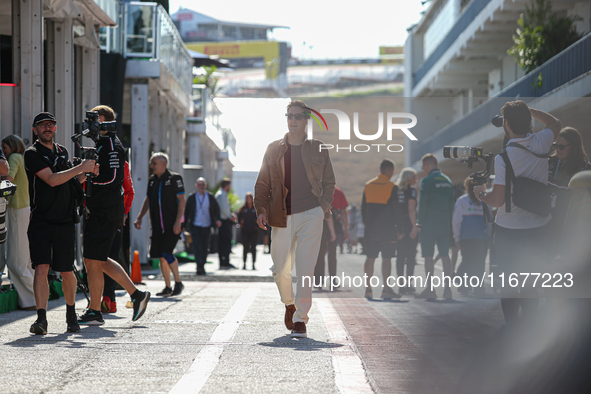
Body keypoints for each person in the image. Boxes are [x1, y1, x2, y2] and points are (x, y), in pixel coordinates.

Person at [474, 100, 561, 323]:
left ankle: (513, 326)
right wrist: (528, 110)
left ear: (507, 124)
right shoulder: (542, 141)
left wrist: (481, 194)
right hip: (540, 226)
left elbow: (498, 199)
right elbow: (554, 122)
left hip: (510, 230)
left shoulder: (504, 157)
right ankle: (530, 325)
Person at [254, 100, 335, 338]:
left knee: (306, 268)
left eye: (298, 116)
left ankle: (301, 319)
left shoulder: (318, 148)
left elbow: (330, 182)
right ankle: (289, 303)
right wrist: (261, 209)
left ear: (306, 120)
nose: (293, 120)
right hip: (281, 216)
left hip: (311, 214)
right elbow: (262, 184)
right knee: (280, 269)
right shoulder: (273, 149)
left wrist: (322, 207)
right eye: (289, 116)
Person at [24, 112, 96, 334]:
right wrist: (80, 168)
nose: (47, 128)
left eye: (51, 125)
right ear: (35, 130)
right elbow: (53, 180)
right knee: (42, 268)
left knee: (67, 271)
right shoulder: (32, 154)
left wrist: (88, 172)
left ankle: (71, 315)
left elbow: (72, 182)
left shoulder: (63, 151)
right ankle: (41, 319)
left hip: (65, 220)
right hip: (41, 221)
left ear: (55, 129)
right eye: (42, 125)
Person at [79, 105, 150, 325]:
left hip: (105, 210)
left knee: (93, 259)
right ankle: (134, 295)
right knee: (97, 259)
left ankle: (96, 310)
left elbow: (112, 179)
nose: (91, 124)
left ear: (105, 121)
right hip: (103, 210)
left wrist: (86, 175)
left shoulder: (111, 145)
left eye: (95, 120)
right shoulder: (104, 143)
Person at [134, 152, 186, 296]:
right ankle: (167, 287)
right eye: (151, 163)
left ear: (163, 164)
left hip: (172, 225)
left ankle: (178, 283)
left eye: (154, 164)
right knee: (161, 256)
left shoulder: (175, 178)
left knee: (166, 253)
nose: (152, 166)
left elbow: (182, 200)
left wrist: (178, 222)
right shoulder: (152, 180)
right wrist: (139, 218)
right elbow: (148, 200)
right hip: (157, 226)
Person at [1, 135, 35, 309]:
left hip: (16, 210)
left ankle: (33, 298)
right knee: (26, 259)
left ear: (12, 147)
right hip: (25, 208)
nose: (3, 152)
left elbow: (9, 177)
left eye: (4, 148)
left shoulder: (14, 157)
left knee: (16, 260)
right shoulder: (22, 157)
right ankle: (34, 296)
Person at [361, 159, 402, 300]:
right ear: (389, 170)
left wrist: (368, 225)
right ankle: (385, 289)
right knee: (386, 258)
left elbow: (363, 209)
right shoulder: (392, 187)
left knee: (370, 258)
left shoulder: (368, 185)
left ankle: (368, 289)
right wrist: (400, 228)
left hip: (371, 229)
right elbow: (397, 210)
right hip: (387, 229)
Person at [416, 153, 455, 300]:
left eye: (423, 166)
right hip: (444, 223)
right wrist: (449, 221)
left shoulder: (426, 181)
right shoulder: (448, 181)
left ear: (427, 165)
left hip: (428, 224)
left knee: (428, 256)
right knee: (445, 255)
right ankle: (447, 289)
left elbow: (422, 204)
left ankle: (430, 289)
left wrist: (419, 222)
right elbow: (452, 204)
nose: (423, 169)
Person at [100, 159, 135, 314]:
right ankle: (105, 300)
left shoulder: (122, 163)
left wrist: (125, 213)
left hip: (115, 218)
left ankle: (109, 299)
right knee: (94, 260)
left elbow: (129, 191)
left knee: (110, 258)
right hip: (96, 217)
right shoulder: (92, 160)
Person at [452, 176, 489, 296]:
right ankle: (479, 288)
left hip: (466, 237)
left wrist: (457, 238)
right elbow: (490, 221)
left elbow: (456, 221)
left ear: (466, 187)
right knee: (479, 263)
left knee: (467, 261)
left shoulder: (462, 200)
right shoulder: (485, 200)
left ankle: (464, 286)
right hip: (482, 238)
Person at [184, 177, 221, 275]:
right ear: (196, 186)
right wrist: (184, 225)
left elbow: (216, 209)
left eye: (203, 185)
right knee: (196, 246)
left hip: (207, 226)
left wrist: (217, 220)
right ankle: (198, 266)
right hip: (195, 225)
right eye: (199, 185)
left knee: (205, 247)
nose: (201, 187)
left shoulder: (210, 197)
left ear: (205, 186)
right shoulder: (192, 197)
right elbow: (186, 212)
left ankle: (202, 265)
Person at [314, 186, 348, 289]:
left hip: (319, 224)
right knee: (332, 254)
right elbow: (343, 211)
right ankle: (333, 281)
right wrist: (346, 229)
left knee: (320, 254)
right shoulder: (338, 192)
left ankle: (318, 281)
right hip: (335, 224)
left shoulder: (317, 190)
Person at [395, 167, 419, 295]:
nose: (416, 179)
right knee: (410, 256)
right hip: (409, 226)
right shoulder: (412, 191)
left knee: (400, 256)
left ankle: (401, 284)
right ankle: (408, 284)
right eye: (414, 176)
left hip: (398, 226)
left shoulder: (396, 190)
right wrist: (414, 227)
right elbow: (411, 210)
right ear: (409, 177)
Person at [215, 178, 237, 269]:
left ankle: (226, 261)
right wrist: (230, 216)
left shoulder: (224, 194)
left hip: (226, 220)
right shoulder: (220, 195)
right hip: (223, 222)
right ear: (226, 185)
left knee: (227, 242)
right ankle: (223, 261)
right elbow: (223, 209)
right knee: (224, 242)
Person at [237, 192, 258, 270]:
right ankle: (244, 263)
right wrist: (241, 223)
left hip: (254, 231)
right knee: (245, 247)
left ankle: (253, 264)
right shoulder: (243, 209)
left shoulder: (255, 209)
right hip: (245, 231)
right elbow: (239, 219)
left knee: (253, 248)